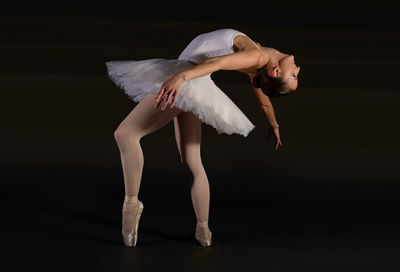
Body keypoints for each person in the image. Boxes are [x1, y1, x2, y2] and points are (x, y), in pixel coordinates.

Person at [105, 28, 301, 248]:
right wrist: (274, 123)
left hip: (189, 77)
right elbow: (264, 101)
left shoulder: (256, 56)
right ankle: (203, 229)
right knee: (192, 160)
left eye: (294, 75)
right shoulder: (258, 60)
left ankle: (131, 204)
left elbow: (217, 62)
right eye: (295, 75)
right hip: (195, 80)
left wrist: (180, 77)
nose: (298, 69)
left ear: (275, 72)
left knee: (126, 134)